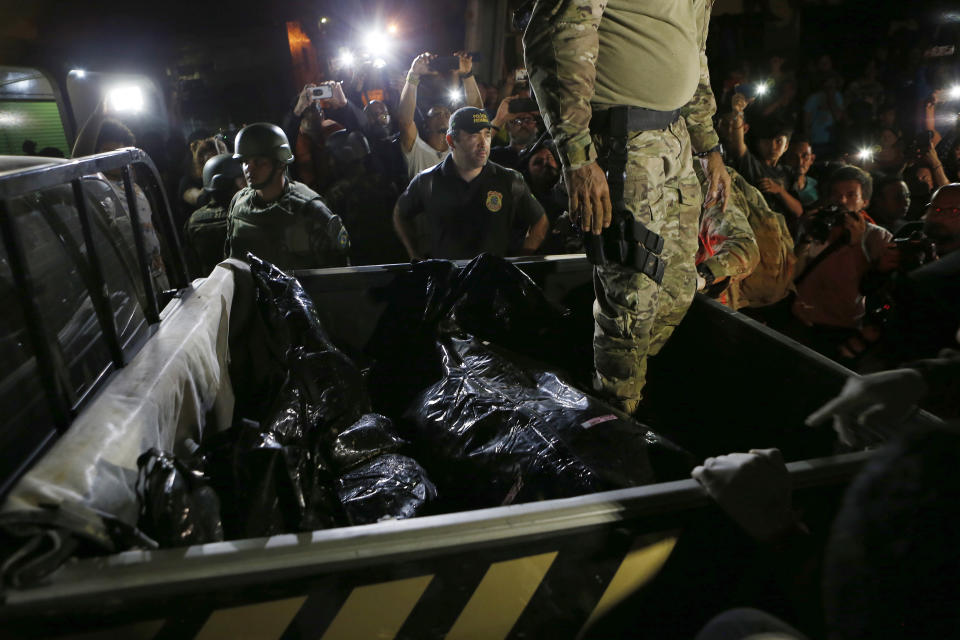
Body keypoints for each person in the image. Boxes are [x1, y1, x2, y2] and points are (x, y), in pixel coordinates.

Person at [523, 0, 730, 414]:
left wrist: (709, 145)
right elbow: (557, 34)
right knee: (630, 300)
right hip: (624, 140)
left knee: (674, 290)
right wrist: (578, 155)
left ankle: (606, 383)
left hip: (675, 138)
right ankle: (615, 419)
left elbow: (696, 53)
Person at [392, 107, 548, 261]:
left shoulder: (509, 180)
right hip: (446, 280)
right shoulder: (427, 181)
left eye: (487, 134)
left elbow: (540, 222)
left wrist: (519, 261)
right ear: (451, 141)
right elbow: (400, 213)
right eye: (474, 135)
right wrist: (414, 254)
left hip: (493, 280)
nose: (483, 143)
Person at [788, 165, 894, 358]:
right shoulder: (813, 227)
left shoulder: (878, 238)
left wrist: (856, 245)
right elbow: (791, 273)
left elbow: (872, 287)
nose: (842, 200)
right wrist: (806, 237)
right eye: (836, 194)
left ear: (865, 201)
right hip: (798, 320)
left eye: (851, 195)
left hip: (840, 330)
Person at [226, 122, 350, 270]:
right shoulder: (238, 203)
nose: (248, 169)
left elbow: (338, 275)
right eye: (244, 162)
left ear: (280, 163)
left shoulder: (311, 209)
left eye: (259, 162)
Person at [397, 52, 483, 179]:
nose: (443, 115)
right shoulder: (417, 150)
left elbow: (479, 119)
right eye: (436, 113)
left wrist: (467, 75)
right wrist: (414, 74)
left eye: (448, 114)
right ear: (426, 125)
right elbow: (405, 122)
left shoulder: (460, 151)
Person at [183, 153, 245, 277]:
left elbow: (192, 265)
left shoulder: (193, 220)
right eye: (241, 178)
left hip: (213, 290)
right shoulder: (246, 214)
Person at [489, 96, 541, 171]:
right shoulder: (496, 154)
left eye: (528, 119)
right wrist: (498, 120)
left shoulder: (545, 151)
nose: (523, 124)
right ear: (507, 127)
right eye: (517, 121)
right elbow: (472, 155)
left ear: (536, 124)